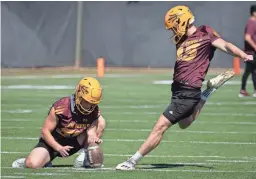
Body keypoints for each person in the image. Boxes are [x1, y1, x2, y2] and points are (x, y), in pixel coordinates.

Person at [116, 5, 253, 170]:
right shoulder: (181, 40)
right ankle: (208, 92)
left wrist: (243, 55)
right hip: (179, 91)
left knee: (160, 127)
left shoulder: (205, 33)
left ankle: (132, 161)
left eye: (174, 25)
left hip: (188, 91)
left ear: (181, 21)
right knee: (184, 123)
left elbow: (226, 45)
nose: (173, 30)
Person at [12, 77, 106, 169]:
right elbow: (45, 132)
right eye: (86, 102)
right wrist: (58, 148)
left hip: (75, 141)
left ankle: (84, 156)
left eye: (93, 103)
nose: (89, 106)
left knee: (101, 121)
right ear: (79, 95)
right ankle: (32, 161)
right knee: (32, 164)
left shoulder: (94, 110)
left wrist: (93, 137)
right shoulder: (62, 107)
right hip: (54, 141)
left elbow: (91, 132)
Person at [239, 5, 256, 97]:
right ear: (254, 13)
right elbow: (247, 37)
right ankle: (243, 90)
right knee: (250, 71)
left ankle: (244, 90)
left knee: (251, 71)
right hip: (251, 52)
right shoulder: (251, 23)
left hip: (251, 52)